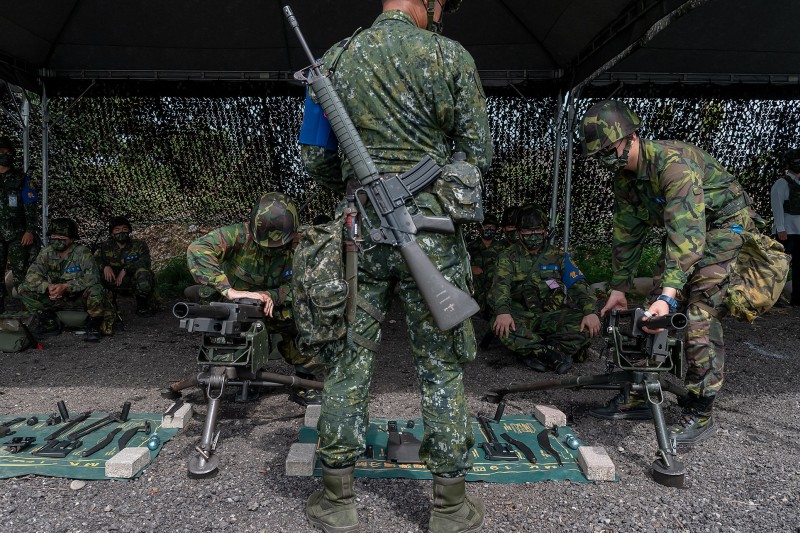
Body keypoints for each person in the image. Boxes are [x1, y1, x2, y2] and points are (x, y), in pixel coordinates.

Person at [299, 1, 492, 531]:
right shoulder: (450, 57)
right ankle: (450, 507)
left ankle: (337, 500)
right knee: (440, 365)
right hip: (432, 235)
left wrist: (362, 182)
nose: (442, 13)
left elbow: (315, 161)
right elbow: (478, 150)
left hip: (358, 236)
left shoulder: (334, 62)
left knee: (348, 361)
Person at [580, 100, 758, 447]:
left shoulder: (674, 166)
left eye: (609, 150)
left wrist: (669, 294)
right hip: (688, 233)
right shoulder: (626, 181)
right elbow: (627, 233)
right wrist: (619, 287)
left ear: (631, 137)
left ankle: (700, 409)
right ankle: (642, 393)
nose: (606, 159)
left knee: (696, 315)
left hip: (724, 227)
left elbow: (687, 232)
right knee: (648, 315)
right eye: (599, 154)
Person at [186, 192, 321, 406]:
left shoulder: (304, 244)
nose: (270, 248)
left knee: (304, 318)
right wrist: (229, 290)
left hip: (279, 307)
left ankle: (305, 381)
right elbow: (198, 249)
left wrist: (274, 295)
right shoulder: (239, 235)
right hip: (241, 309)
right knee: (231, 334)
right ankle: (247, 377)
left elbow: (311, 283)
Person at [489, 205, 599, 373]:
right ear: (519, 233)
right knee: (501, 327)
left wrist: (590, 311)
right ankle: (554, 354)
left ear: (546, 231)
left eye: (538, 231)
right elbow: (500, 287)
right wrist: (503, 312)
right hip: (521, 316)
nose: (533, 236)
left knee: (584, 324)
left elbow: (579, 285)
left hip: (550, 315)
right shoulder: (507, 257)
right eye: (527, 232)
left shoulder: (559, 256)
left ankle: (535, 351)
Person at [18, 218, 113, 342]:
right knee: (24, 289)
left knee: (96, 289)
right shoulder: (46, 252)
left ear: (72, 239)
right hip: (56, 297)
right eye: (53, 237)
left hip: (79, 297)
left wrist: (67, 287)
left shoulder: (82, 253)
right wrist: (48, 287)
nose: (56, 241)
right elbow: (31, 276)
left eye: (61, 238)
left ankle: (94, 325)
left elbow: (92, 279)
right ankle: (48, 321)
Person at [0, 136, 38, 312]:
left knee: (21, 274)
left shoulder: (21, 178)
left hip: (18, 234)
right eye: (1, 152)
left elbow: (30, 207)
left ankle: (29, 311)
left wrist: (30, 230)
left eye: (8, 153)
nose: (5, 155)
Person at [95, 216, 157, 317]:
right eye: (117, 230)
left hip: (133, 281)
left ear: (129, 231)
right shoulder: (105, 246)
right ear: (112, 233)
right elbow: (96, 260)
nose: (121, 232)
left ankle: (142, 305)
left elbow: (145, 261)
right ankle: (107, 305)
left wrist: (126, 269)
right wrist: (105, 266)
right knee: (97, 276)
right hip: (113, 281)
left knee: (144, 272)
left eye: (124, 229)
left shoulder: (139, 245)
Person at [770, 148, 800, 306]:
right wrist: (781, 228)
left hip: (798, 230)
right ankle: (775, 298)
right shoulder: (782, 183)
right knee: (781, 265)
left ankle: (797, 297)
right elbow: (777, 207)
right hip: (787, 231)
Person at [466, 213, 501, 315]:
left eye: (492, 227)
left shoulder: (503, 248)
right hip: (476, 292)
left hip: (494, 289)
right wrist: (470, 268)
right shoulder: (470, 247)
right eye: (486, 226)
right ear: (480, 228)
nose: (489, 229)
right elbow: (462, 265)